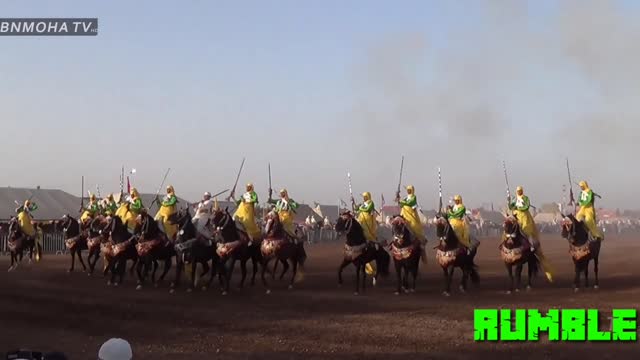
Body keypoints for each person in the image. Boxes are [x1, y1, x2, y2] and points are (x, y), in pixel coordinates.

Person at [508, 186, 554, 282]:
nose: (519, 192)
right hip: (516, 215)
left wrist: (517, 206)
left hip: (524, 217)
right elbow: (510, 207)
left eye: (520, 191)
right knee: (508, 230)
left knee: (527, 231)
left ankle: (532, 245)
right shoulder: (514, 198)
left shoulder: (525, 198)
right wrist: (509, 199)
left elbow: (526, 206)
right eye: (518, 191)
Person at [397, 185, 427, 262]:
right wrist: (398, 199)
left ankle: (421, 246)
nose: (408, 191)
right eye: (407, 189)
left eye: (409, 190)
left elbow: (409, 203)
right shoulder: (405, 198)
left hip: (411, 218)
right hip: (404, 217)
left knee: (415, 231)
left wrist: (401, 201)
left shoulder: (413, 197)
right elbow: (401, 205)